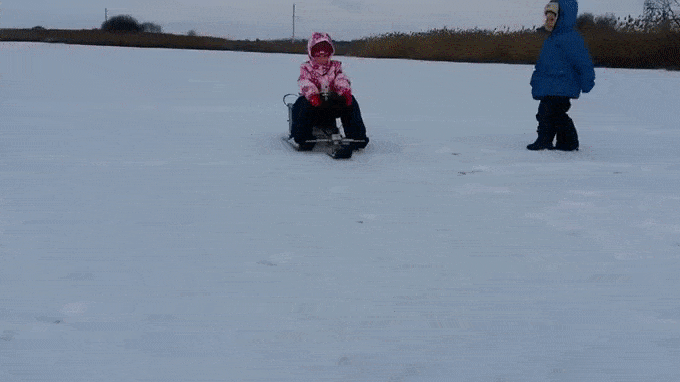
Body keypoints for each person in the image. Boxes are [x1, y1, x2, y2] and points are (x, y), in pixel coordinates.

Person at [528, 0, 595, 151]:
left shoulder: (571, 38)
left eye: (552, 18)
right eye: (547, 18)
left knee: (556, 114)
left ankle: (568, 142)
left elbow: (583, 62)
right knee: (545, 114)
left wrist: (587, 81)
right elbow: (543, 64)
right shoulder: (551, 39)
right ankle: (544, 139)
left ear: (562, 18)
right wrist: (536, 80)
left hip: (563, 84)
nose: (548, 22)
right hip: (550, 85)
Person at [291, 32, 369, 150]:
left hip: (332, 101)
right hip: (314, 103)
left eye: (325, 55)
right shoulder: (306, 68)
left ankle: (357, 136)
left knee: (351, 102)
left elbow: (340, 79)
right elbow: (305, 83)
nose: (322, 58)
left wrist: (345, 92)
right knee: (301, 104)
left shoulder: (335, 67)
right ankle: (303, 138)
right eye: (318, 55)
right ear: (312, 54)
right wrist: (313, 95)